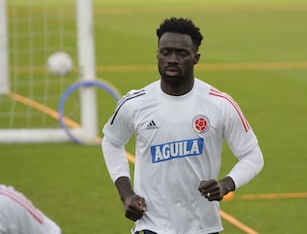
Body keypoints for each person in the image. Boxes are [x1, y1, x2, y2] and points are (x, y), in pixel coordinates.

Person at [101, 17, 264, 234]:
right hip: (151, 226)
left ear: (196, 58)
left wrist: (226, 184)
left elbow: (253, 156)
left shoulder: (219, 103)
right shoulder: (135, 103)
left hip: (203, 227)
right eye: (165, 52)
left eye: (182, 53)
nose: (172, 59)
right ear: (157, 54)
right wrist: (126, 194)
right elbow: (112, 142)